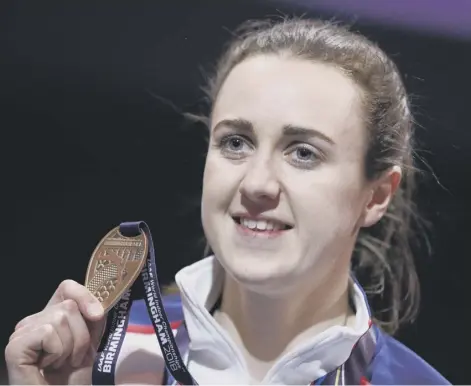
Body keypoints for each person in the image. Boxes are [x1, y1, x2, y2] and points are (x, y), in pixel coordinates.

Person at [5, 17, 450, 385]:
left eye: (303, 153)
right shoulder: (101, 357)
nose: (257, 184)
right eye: (236, 143)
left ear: (375, 196)